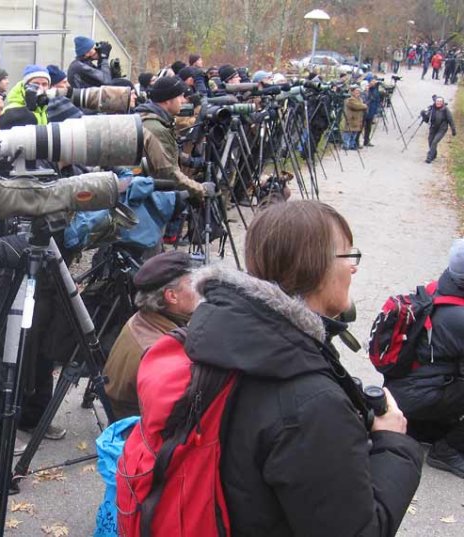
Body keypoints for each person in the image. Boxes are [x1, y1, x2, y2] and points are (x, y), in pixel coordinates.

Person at [128, 200, 422, 535]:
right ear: (314, 266)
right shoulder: (311, 403)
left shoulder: (216, 333)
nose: (354, 268)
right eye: (348, 255)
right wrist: (392, 443)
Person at [385, 239, 464, 478]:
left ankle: (423, 427)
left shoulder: (439, 287)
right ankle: (447, 450)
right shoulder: (459, 317)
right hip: (420, 395)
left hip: (404, 391)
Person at [103, 251, 200, 419]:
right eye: (192, 283)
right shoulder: (160, 350)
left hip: (131, 415)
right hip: (140, 429)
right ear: (171, 296)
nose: (200, 288)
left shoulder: (145, 317)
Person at [135, 76, 206, 200]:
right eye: (180, 96)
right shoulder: (156, 129)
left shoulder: (151, 119)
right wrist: (201, 189)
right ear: (167, 101)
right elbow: (168, 174)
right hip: (154, 198)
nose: (183, 101)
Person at [424, 96, 456, 164]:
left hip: (442, 129)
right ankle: (434, 154)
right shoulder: (432, 109)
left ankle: (429, 157)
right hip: (433, 128)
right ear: (435, 102)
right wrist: (423, 115)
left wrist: (453, 130)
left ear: (442, 103)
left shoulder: (445, 110)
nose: (438, 103)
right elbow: (427, 120)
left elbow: (450, 120)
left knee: (434, 142)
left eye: (440, 102)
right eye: (437, 102)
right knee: (430, 141)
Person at [362, 74, 380, 147]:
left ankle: (366, 140)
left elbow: (377, 99)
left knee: (368, 127)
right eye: (372, 81)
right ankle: (356, 141)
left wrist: (376, 111)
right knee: (361, 126)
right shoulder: (365, 88)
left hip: (372, 110)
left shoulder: (375, 89)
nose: (373, 82)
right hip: (365, 110)